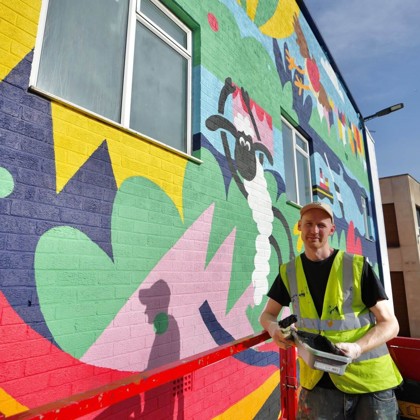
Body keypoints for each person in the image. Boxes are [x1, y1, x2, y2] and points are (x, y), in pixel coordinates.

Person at [259, 201, 402, 419]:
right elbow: (267, 315)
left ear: (332, 229)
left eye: (321, 225)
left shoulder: (356, 266)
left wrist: (356, 348)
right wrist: (273, 329)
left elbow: (390, 324)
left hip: (370, 384)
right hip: (318, 386)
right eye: (308, 224)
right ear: (299, 227)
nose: (314, 230)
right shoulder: (289, 272)